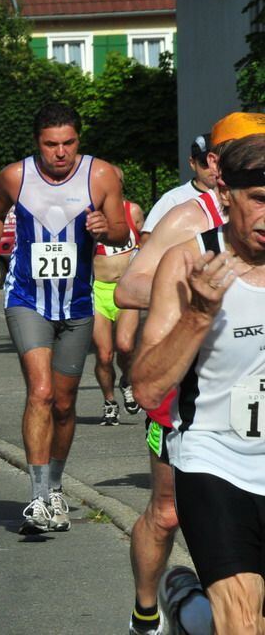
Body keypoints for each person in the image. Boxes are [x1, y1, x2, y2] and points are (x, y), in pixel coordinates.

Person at [115, 112, 264, 635]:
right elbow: (147, 385)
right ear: (227, 192)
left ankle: (191, 615)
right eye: (260, 199)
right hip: (213, 455)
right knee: (242, 620)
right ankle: (161, 605)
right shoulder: (188, 256)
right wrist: (197, 313)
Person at [0, 103, 128, 535]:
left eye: (69, 143)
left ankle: (55, 485)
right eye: (51, 144)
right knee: (39, 392)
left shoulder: (101, 175)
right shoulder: (16, 177)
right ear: (37, 143)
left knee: (64, 402)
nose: (61, 153)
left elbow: (122, 231)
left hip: (76, 304)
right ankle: (38, 496)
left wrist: (103, 228)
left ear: (79, 139)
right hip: (27, 299)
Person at [92, 189, 146, 426]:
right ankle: (109, 402)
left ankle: (127, 380)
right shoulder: (91, 218)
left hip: (126, 289)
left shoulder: (132, 211)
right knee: (104, 355)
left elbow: (146, 246)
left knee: (125, 346)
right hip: (97, 291)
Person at [141, 135, 217, 243]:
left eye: (217, 162)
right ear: (192, 163)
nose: (213, 168)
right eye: (205, 162)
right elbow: (146, 240)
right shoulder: (173, 199)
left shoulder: (234, 195)